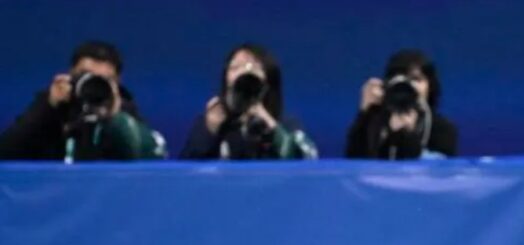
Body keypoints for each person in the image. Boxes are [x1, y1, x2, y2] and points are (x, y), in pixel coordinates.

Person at [0, 41, 165, 162]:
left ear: (117, 83)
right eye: (85, 75)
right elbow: (6, 152)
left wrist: (115, 118)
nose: (93, 84)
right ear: (70, 73)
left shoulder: (123, 111)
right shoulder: (52, 106)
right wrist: (47, 107)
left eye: (104, 80)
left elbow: (156, 156)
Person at [180, 44, 317, 160]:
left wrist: (273, 132)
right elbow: (186, 172)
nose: (244, 73)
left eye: (254, 67)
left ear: (268, 81)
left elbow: (308, 161)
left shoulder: (285, 124)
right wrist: (209, 131)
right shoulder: (210, 122)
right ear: (226, 80)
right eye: (235, 67)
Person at [345, 49, 457, 159]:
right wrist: (365, 113)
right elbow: (353, 163)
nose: (408, 86)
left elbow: (437, 167)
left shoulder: (442, 129)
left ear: (430, 87)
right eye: (401, 79)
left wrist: (407, 135)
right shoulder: (375, 122)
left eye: (416, 79)